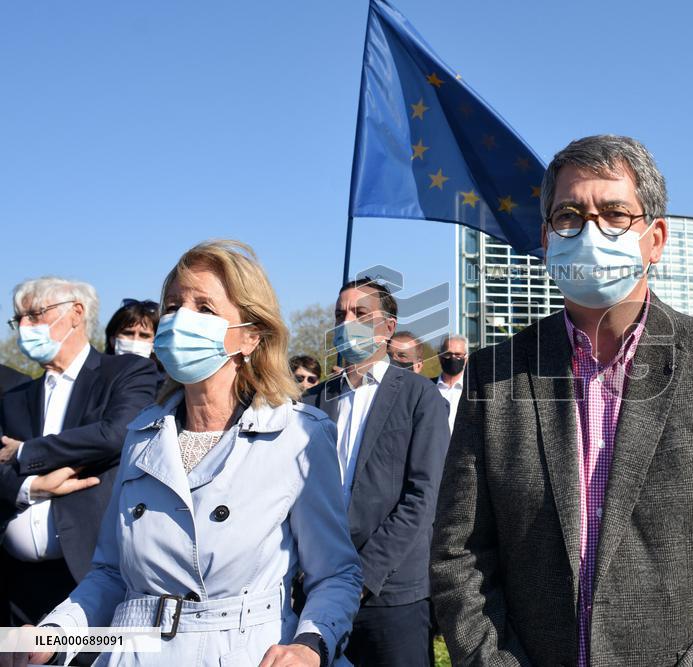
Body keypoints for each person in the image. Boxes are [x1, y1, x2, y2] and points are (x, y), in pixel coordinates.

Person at [430, 135, 693, 665]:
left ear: (655, 239)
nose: (590, 231)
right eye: (569, 215)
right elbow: (461, 555)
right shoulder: (495, 374)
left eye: (614, 214)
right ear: (546, 238)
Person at [1, 241, 362, 666]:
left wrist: (309, 646)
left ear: (249, 336)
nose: (180, 319)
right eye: (173, 306)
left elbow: (335, 575)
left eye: (204, 308)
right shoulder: (142, 435)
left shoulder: (297, 434)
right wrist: (54, 635)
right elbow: (111, 574)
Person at [300, 277, 450, 667]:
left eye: (360, 313)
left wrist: (363, 577)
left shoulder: (420, 396)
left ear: (387, 327)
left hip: (391, 592)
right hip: (317, 590)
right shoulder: (312, 402)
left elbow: (422, 497)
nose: (346, 321)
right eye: (340, 314)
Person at [0, 278, 158, 627]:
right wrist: (32, 488)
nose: (25, 327)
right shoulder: (14, 397)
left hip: (87, 578)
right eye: (18, 319)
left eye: (35, 315)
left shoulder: (126, 373)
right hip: (16, 586)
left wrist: (26, 453)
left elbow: (115, 434)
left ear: (76, 313)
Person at [434, 334, 467, 432]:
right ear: (440, 357)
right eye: (448, 354)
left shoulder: (475, 390)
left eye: (458, 355)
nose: (453, 358)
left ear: (466, 358)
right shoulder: (427, 388)